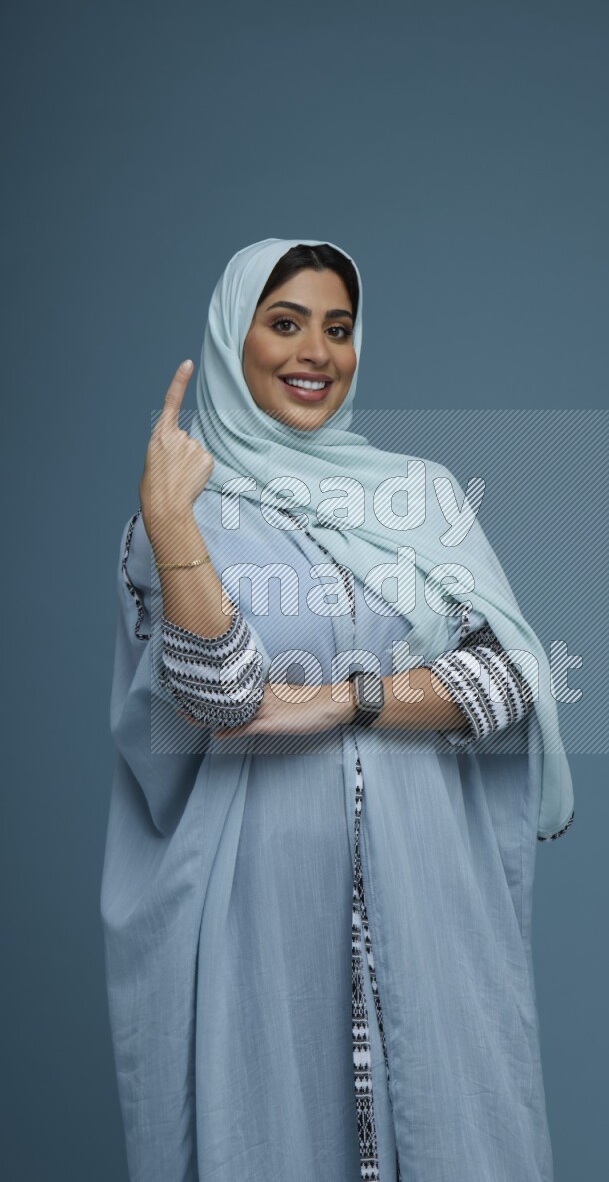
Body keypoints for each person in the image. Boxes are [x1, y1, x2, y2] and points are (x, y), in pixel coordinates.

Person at [101, 237, 574, 1182]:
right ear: (235, 342)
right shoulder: (181, 514)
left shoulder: (419, 496)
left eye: (339, 328)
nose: (317, 350)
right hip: (257, 908)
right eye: (285, 324)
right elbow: (222, 695)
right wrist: (174, 527)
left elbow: (508, 678)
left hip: (433, 886)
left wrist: (340, 702)